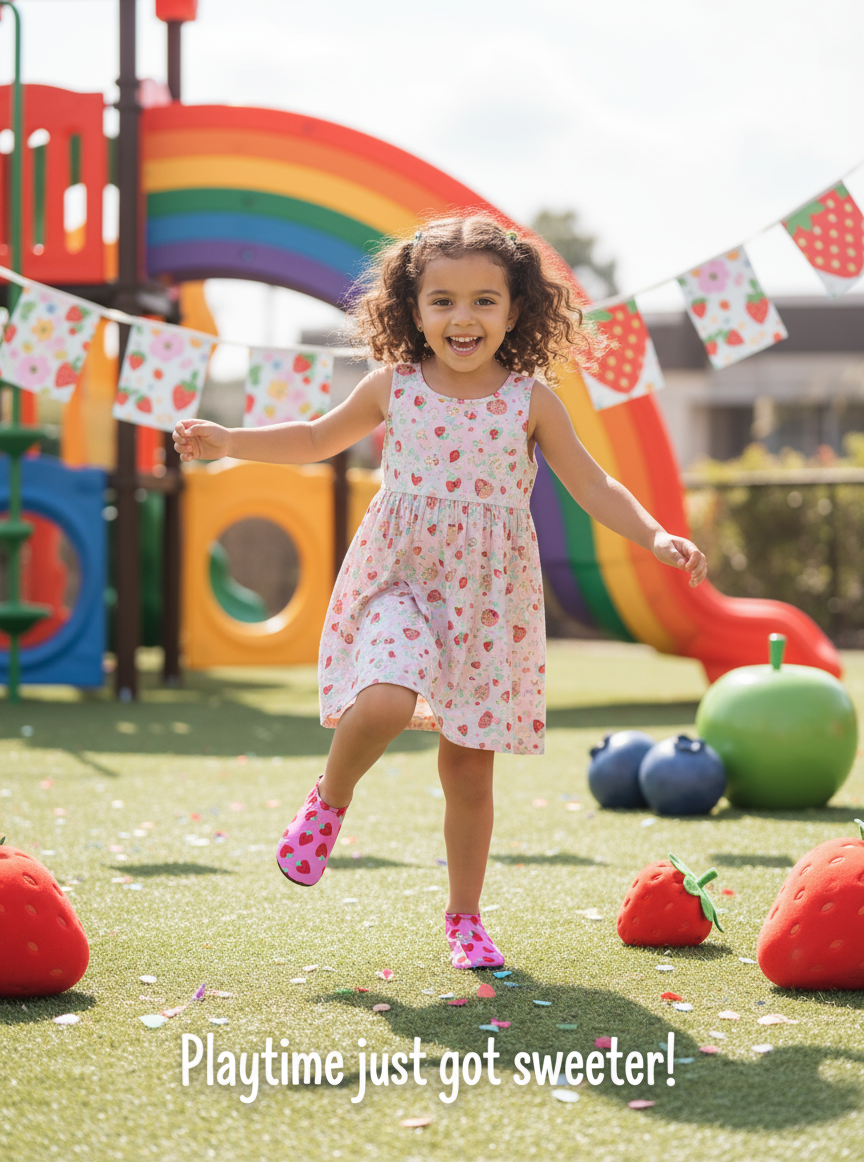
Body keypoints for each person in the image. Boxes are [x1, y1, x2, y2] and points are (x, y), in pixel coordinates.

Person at [172, 214, 707, 970]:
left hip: (489, 603)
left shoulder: (530, 401)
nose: (464, 318)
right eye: (444, 300)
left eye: (485, 301)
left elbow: (593, 483)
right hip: (401, 580)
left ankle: (464, 917)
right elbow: (315, 437)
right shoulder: (395, 386)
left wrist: (655, 534)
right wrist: (232, 442)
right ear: (413, 310)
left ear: (516, 311)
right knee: (386, 699)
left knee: (467, 769)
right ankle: (329, 798)